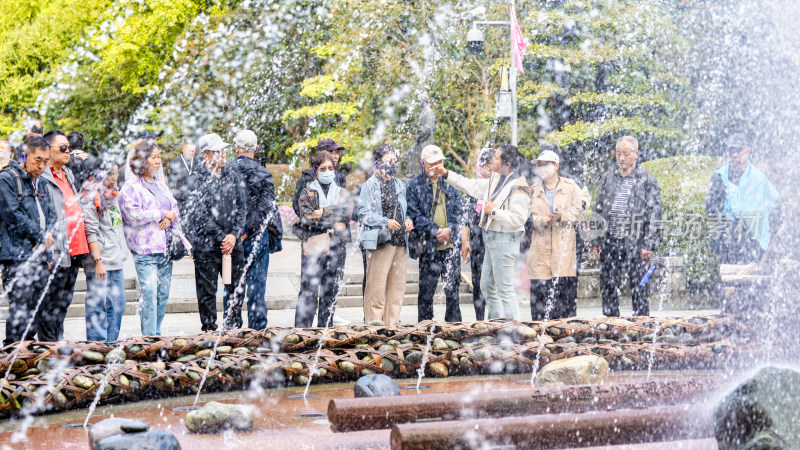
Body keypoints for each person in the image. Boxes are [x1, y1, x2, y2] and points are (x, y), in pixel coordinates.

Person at [431, 144, 530, 320]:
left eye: (497, 158)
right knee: (486, 286)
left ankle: (514, 332)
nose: (493, 161)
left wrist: (493, 211)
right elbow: (470, 185)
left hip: (505, 240)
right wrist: (446, 174)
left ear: (507, 163)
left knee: (505, 289)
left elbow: (518, 219)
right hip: (490, 238)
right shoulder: (496, 180)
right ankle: (497, 324)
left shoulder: (519, 185)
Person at [590, 136, 663, 317]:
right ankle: (610, 324)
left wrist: (649, 243)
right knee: (608, 284)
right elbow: (598, 207)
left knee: (639, 285)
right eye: (618, 154)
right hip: (610, 241)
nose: (621, 158)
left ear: (636, 154)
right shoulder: (608, 177)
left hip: (635, 242)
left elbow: (655, 213)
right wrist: (596, 238)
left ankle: (640, 325)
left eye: (626, 154)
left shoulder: (646, 179)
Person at [119, 140, 184, 336]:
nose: (158, 162)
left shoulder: (160, 184)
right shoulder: (130, 187)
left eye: (159, 158)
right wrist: (160, 214)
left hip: (165, 249)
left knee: (162, 295)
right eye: (153, 158)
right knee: (149, 294)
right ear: (141, 161)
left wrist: (169, 216)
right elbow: (133, 215)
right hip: (145, 251)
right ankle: (149, 338)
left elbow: (175, 208)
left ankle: (156, 332)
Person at [188, 133, 248, 332]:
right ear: (205, 155)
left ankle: (232, 328)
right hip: (207, 246)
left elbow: (242, 206)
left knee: (236, 289)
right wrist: (222, 237)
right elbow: (199, 214)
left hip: (233, 244)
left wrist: (234, 235)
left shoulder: (232, 173)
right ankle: (209, 330)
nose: (223, 155)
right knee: (207, 291)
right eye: (217, 151)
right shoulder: (196, 178)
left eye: (224, 150)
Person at [0, 136, 57, 345]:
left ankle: (28, 360)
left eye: (46, 161)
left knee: (36, 313)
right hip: (17, 256)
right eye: (38, 160)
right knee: (20, 313)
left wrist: (48, 245)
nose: (42, 166)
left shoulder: (41, 181)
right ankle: (12, 357)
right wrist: (40, 235)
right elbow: (11, 214)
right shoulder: (7, 178)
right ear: (25, 155)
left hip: (40, 256)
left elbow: (51, 215)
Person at [292, 137, 350, 326]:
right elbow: (306, 216)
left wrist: (320, 214)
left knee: (331, 290)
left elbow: (346, 214)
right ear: (315, 171)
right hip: (314, 244)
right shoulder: (307, 188)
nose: (327, 171)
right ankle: (302, 332)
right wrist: (329, 215)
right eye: (323, 169)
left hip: (336, 245)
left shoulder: (340, 188)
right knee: (309, 290)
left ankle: (326, 331)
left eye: (330, 168)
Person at [39, 130, 90, 341]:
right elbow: (41, 216)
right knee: (50, 305)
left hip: (75, 250)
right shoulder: (42, 177)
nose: (69, 151)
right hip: (57, 251)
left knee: (63, 304)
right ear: (48, 150)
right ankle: (47, 352)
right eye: (63, 148)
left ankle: (57, 346)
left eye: (69, 147)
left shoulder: (67, 173)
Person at [357, 144, 414, 326]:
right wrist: (385, 222)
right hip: (381, 242)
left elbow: (405, 210)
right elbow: (362, 213)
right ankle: (373, 328)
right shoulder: (370, 185)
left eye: (394, 160)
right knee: (377, 288)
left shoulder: (400, 184)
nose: (393, 163)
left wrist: (408, 220)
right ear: (378, 163)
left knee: (397, 289)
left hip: (399, 242)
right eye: (389, 160)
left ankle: (392, 327)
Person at [407, 145, 464, 322]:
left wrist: (450, 230)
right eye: (432, 163)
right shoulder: (415, 185)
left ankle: (454, 329)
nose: (437, 167)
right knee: (426, 291)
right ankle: (424, 328)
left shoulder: (450, 182)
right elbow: (414, 214)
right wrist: (435, 231)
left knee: (453, 290)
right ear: (423, 164)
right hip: (428, 246)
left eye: (439, 162)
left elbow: (460, 210)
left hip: (450, 245)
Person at [527, 149, 584, 320]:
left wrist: (562, 216)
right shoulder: (532, 190)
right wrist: (540, 221)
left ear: (556, 166)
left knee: (564, 303)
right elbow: (524, 216)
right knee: (540, 303)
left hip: (563, 253)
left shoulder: (571, 187)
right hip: (539, 253)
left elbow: (579, 211)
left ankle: (566, 340)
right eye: (540, 165)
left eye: (546, 164)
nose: (542, 168)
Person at [231, 130, 280, 329]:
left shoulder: (227, 170)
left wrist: (237, 232)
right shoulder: (263, 173)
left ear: (236, 148)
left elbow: (223, 206)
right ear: (256, 149)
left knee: (231, 285)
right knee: (257, 285)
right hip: (258, 236)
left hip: (231, 240)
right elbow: (266, 208)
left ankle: (231, 328)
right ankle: (257, 329)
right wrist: (248, 229)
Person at [705, 133, 779, 264]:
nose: (734, 155)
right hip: (726, 241)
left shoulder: (758, 178)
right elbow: (711, 209)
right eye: (731, 150)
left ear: (747, 151)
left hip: (752, 242)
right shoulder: (719, 177)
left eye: (738, 151)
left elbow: (773, 206)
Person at [79, 158, 128, 341]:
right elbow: (90, 231)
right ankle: (96, 346)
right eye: (110, 174)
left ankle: (111, 342)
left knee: (118, 304)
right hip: (100, 261)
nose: (114, 178)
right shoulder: (92, 196)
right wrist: (98, 262)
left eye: (116, 173)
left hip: (115, 259)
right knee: (97, 304)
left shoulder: (113, 195)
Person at [460, 148, 494, 320]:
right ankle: (480, 320)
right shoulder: (473, 188)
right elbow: (466, 218)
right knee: (478, 282)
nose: (489, 169)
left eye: (492, 165)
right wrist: (465, 241)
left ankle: (497, 319)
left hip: (495, 239)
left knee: (495, 282)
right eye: (486, 165)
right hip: (477, 240)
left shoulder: (501, 187)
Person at [167, 140, 199, 213]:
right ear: (183, 148)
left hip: (195, 198)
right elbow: (171, 182)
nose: (191, 153)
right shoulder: (175, 162)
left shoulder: (197, 162)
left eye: (193, 151)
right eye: (189, 150)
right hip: (180, 199)